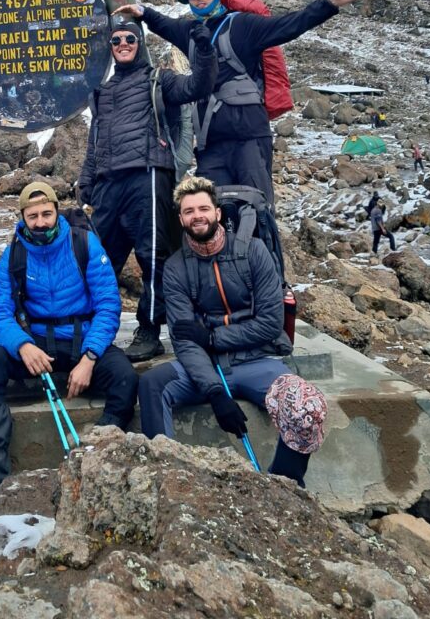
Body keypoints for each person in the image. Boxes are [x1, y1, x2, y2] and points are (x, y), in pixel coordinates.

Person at [117, 0, 377, 207]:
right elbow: (164, 24)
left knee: (257, 209)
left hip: (249, 137)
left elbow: (290, 24)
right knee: (214, 212)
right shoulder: (191, 33)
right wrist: (143, 11)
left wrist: (330, 3)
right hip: (210, 144)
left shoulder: (243, 25)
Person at [139, 176, 327, 488]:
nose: (197, 216)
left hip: (256, 362)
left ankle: (284, 484)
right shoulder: (175, 268)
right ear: (181, 218)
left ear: (217, 212)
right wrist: (214, 391)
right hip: (203, 367)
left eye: (203, 208)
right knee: (151, 384)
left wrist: (213, 338)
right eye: (188, 211)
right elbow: (185, 338)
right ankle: (168, 482)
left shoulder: (254, 251)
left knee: (307, 405)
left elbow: (270, 322)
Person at [0, 181, 138, 519]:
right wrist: (22, 346)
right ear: (22, 217)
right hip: (37, 344)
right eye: (32, 216)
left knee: (125, 376)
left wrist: (90, 357)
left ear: (56, 212)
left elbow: (108, 304)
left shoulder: (84, 244)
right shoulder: (14, 253)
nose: (41, 222)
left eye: (47, 213)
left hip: (82, 339)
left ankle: (97, 458)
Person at [77, 19, 217, 362]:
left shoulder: (159, 79)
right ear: (110, 48)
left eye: (129, 38)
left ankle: (150, 329)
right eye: (116, 40)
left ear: (139, 42)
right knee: (98, 257)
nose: (123, 43)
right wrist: (87, 178)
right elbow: (95, 139)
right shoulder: (103, 90)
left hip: (149, 174)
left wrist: (203, 49)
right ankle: (93, 327)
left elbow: (200, 86)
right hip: (109, 182)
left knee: (153, 256)